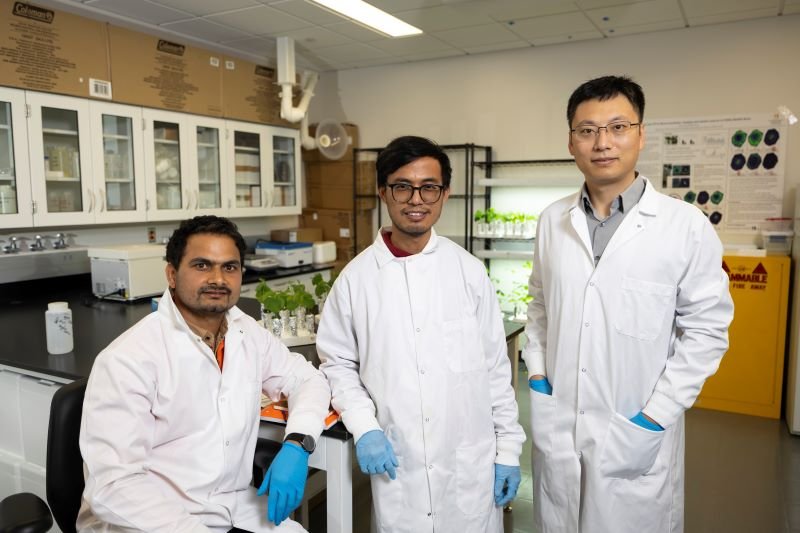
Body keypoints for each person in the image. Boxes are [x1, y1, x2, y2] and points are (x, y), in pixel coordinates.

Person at [523, 75, 734, 533]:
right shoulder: (551, 220)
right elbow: (538, 305)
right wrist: (538, 376)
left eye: (618, 127)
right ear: (571, 142)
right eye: (587, 130)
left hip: (637, 428)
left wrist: (654, 417)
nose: (603, 142)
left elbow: (706, 333)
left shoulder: (685, 227)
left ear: (641, 135)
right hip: (559, 421)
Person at [316, 135, 525, 532]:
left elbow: (495, 370)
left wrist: (509, 449)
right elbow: (338, 365)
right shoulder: (355, 280)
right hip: (400, 463)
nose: (417, 199)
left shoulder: (468, 272)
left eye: (429, 187)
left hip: (467, 462)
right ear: (383, 192)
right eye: (402, 187)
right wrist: (365, 426)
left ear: (444, 194)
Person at [77, 215, 331, 532]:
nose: (218, 279)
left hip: (234, 507)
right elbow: (114, 487)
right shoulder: (128, 359)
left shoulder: (246, 332)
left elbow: (307, 379)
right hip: (151, 522)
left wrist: (296, 444)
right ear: (171, 274)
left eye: (229, 267)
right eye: (201, 265)